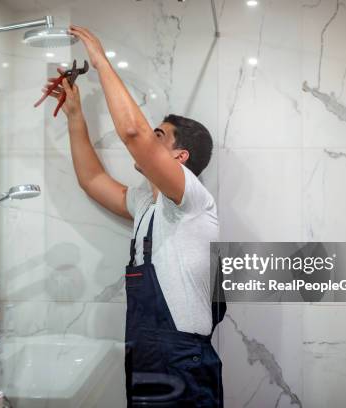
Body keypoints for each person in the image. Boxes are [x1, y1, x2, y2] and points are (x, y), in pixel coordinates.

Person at [42, 25, 225, 407]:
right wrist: (75, 115)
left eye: (159, 137)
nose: (147, 143)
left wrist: (100, 59)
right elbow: (92, 180)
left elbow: (132, 133)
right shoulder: (148, 202)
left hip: (181, 362)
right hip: (147, 356)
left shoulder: (191, 200)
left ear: (179, 159)